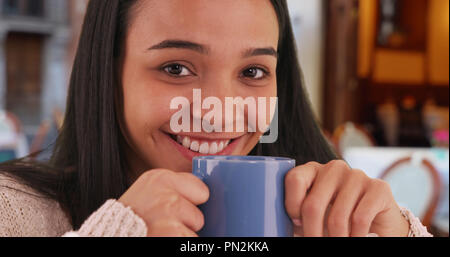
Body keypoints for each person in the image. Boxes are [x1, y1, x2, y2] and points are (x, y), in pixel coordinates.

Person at [0, 0, 432, 237]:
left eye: (252, 72)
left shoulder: (316, 218)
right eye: (175, 68)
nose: (221, 111)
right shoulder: (14, 211)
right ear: (109, 76)